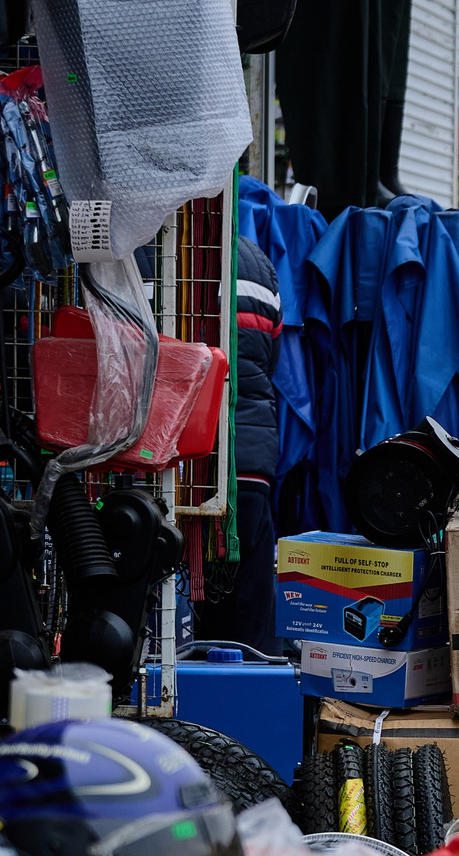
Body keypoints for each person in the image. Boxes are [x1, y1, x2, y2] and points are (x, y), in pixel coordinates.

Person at [200, 234, 281, 651]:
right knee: (248, 613)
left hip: (182, 466)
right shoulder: (256, 261)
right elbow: (271, 357)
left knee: (177, 612)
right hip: (251, 462)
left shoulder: (151, 246)